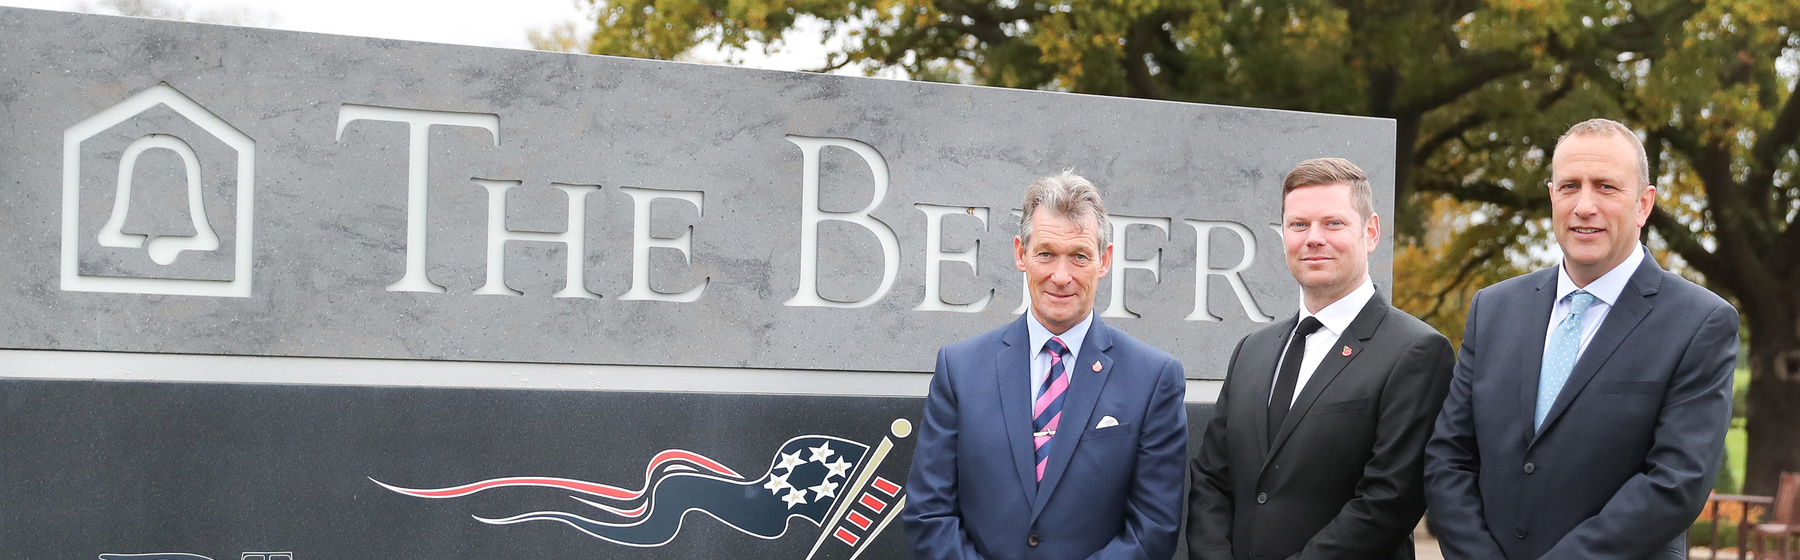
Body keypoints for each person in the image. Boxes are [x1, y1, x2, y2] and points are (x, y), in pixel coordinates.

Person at [1425, 118, 1739, 559]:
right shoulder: (1493, 310)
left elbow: (1675, 482)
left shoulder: (1699, 322)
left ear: (1644, 204)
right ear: (1553, 197)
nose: (1584, 205)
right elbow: (1448, 458)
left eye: (1606, 187)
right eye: (1570, 186)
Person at [903, 171, 1188, 560]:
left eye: (1079, 256)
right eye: (1046, 253)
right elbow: (928, 514)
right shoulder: (959, 369)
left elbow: (1153, 530)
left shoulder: (1154, 378)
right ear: (1021, 254)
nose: (1061, 276)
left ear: (1103, 261)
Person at [1186, 158, 1455, 560]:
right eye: (1298, 225)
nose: (1313, 238)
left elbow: (1387, 501)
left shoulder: (1417, 351)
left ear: (1370, 232)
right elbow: (1210, 480)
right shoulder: (1251, 352)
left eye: (1333, 223)